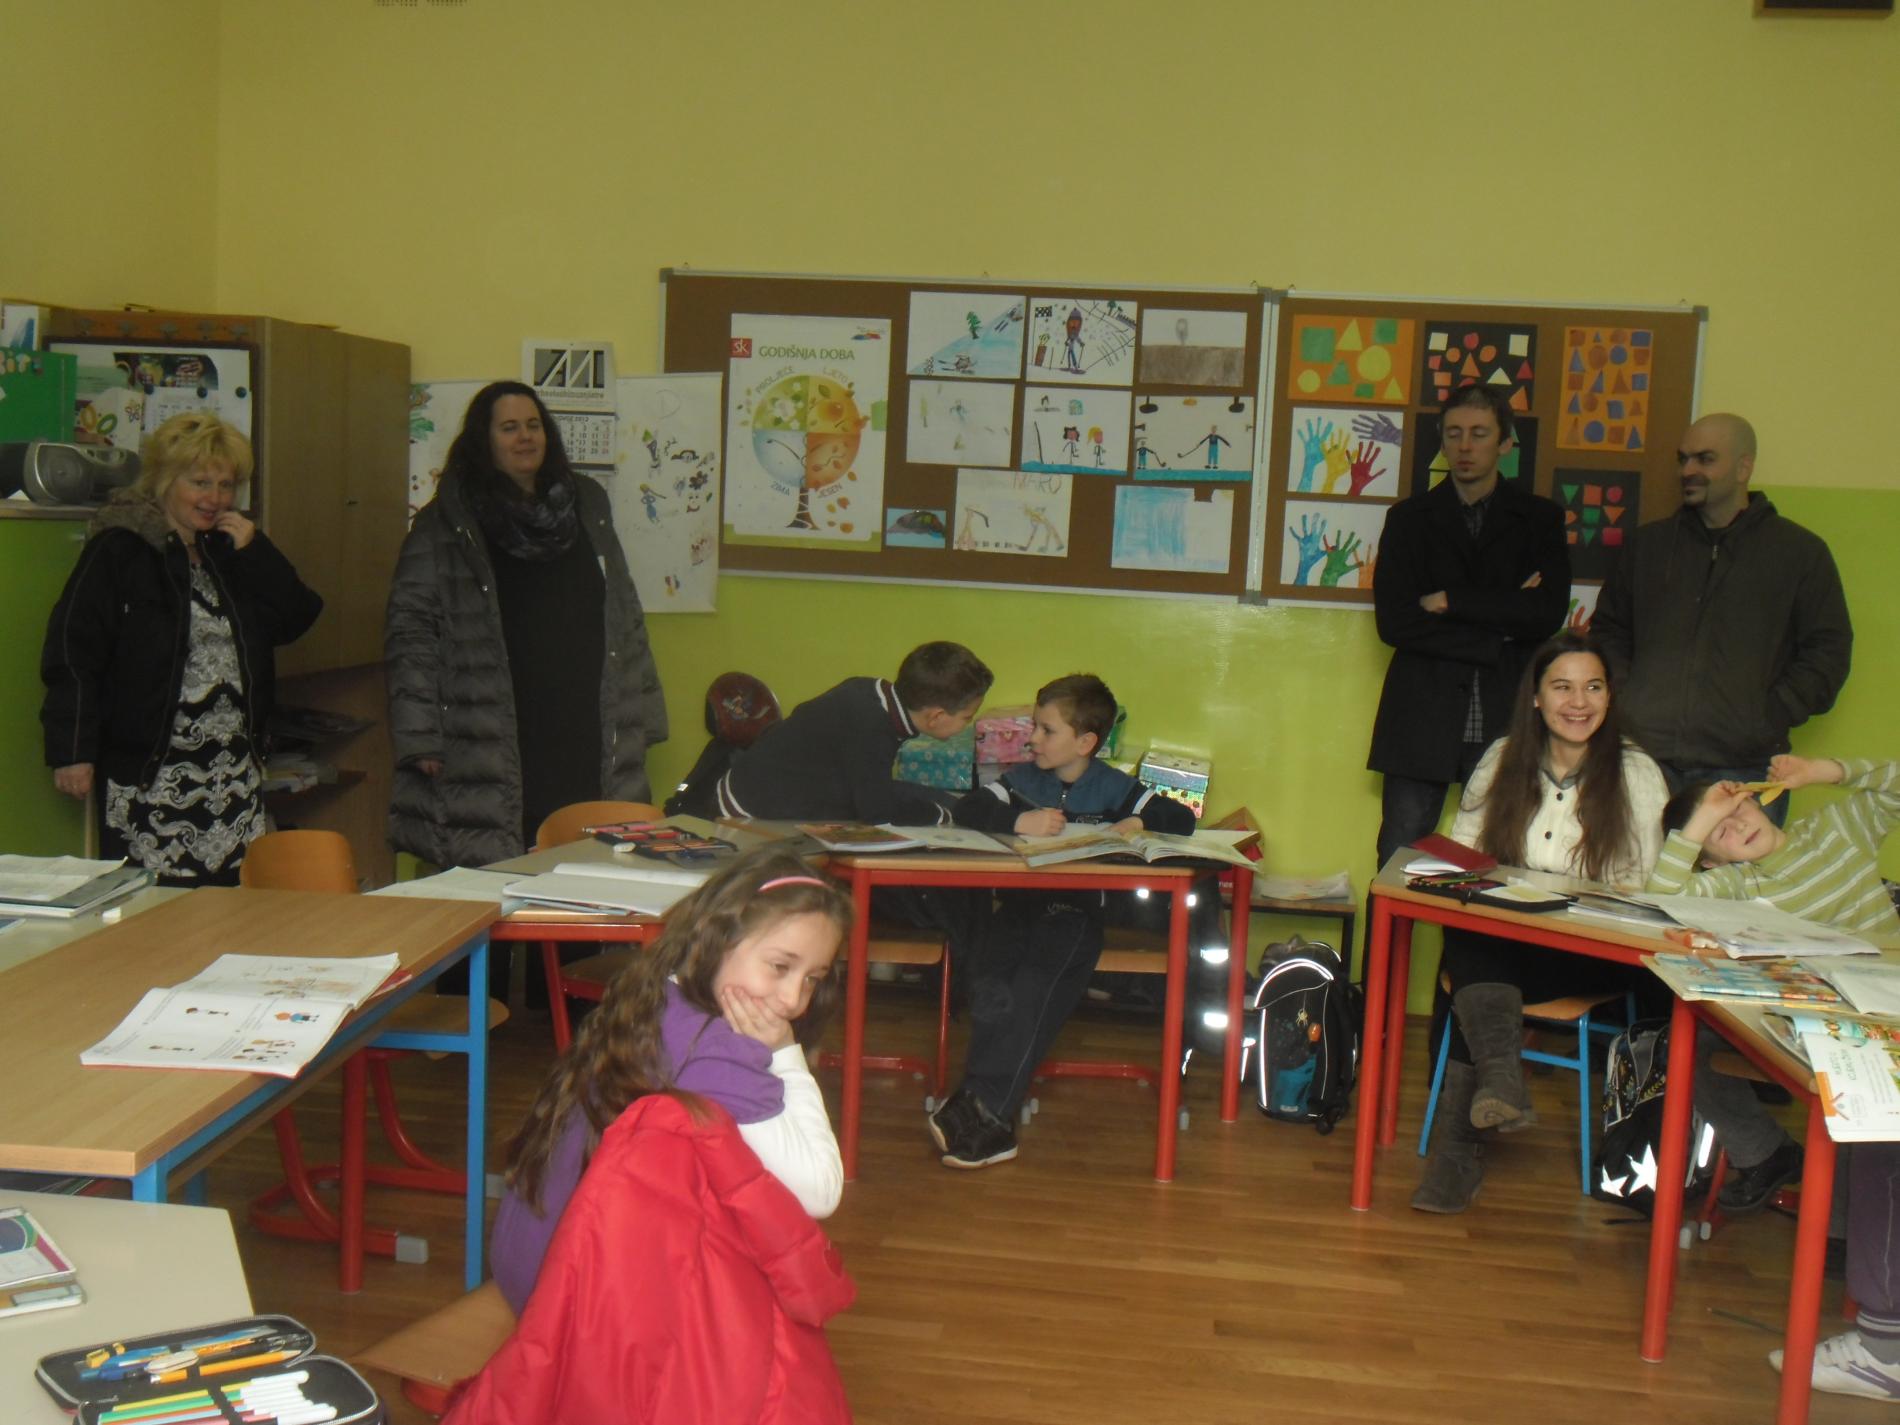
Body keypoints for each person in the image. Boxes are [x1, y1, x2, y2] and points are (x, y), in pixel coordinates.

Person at [491, 844, 848, 1314]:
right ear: (718, 941)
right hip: (579, 1303)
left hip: (529, 1265)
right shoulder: (717, 1050)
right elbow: (820, 1192)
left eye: (812, 978)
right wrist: (786, 1054)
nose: (793, 1000)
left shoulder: (655, 995)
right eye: (780, 967)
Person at [1413, 630, 1670, 1214]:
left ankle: (1460, 1150)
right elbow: (1462, 856)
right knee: (1473, 935)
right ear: (1535, 696)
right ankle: (1500, 1080)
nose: (1578, 702)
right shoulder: (1503, 758)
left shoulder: (1636, 773)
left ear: (1609, 697)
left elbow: (1648, 887)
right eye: (1562, 687)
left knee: (1478, 972)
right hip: (1506, 942)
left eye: (1593, 687)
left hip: (1589, 950)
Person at [385, 379, 666, 871]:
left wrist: (644, 712)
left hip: (582, 721)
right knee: (495, 864)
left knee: (585, 858)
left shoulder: (587, 506)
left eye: (534, 425)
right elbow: (411, 634)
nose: (525, 437)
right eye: (510, 427)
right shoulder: (446, 522)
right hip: (491, 725)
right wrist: (420, 737)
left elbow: (624, 612)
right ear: (484, 439)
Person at [447, 1094, 855, 1425]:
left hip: (554, 1305)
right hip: (606, 1321)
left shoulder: (612, 1067)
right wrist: (786, 1054)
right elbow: (815, 1201)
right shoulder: (714, 1091)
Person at [40, 411, 322, 886]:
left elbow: (297, 617)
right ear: (166, 480)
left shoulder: (230, 553)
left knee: (232, 910)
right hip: (152, 775)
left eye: (226, 485)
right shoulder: (121, 550)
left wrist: (258, 552)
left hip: (232, 776)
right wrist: (72, 749)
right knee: (156, 910)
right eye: (200, 483)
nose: (215, 498)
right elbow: (74, 650)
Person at [929, 674, 1196, 1169]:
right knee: (990, 981)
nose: (1032, 738)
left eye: (1046, 730)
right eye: (1034, 726)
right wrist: (1017, 821)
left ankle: (981, 1109)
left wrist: (1138, 821)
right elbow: (970, 808)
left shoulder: (1114, 787)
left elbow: (1182, 819)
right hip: (1017, 910)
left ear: (1086, 742)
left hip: (1075, 917)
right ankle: (985, 1114)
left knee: (1033, 990)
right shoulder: (1022, 782)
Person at [1650, 756, 1900, 1215]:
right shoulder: (1737, 884)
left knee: (1851, 1085)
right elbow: (1661, 898)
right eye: (1718, 832)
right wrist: (1702, 817)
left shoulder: (1836, 828)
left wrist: (1821, 772)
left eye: (1737, 810)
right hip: (1806, 1014)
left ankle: (1840, 1232)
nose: (1737, 827)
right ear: (1711, 862)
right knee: (1687, 1046)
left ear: (1758, 799)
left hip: (1882, 1009)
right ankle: (1767, 1153)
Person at [1592, 413, 1852, 820]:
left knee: (1732, 868)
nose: (1688, 470)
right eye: (1683, 459)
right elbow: (1609, 630)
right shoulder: (1647, 546)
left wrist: (1768, 715)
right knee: (1628, 866)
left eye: (1705, 459)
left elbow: (1828, 650)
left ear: (1744, 467)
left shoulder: (1799, 553)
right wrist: (1625, 697)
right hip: (1641, 761)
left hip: (1744, 768)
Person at [1367, 384, 1570, 873]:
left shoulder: (1539, 519)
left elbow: (1546, 614)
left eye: (1479, 433)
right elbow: (1395, 622)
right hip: (1422, 712)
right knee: (1398, 857)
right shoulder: (1409, 520)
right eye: (1453, 433)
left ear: (1504, 442)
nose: (1464, 445)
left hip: (1505, 709)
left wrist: (1450, 601)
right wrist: (1497, 629)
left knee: (1504, 858)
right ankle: (1386, 932)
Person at [708, 640, 992, 826]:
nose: (967, 724)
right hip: (745, 816)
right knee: (932, 810)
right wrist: (940, 815)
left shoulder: (869, 691)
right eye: (967, 717)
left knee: (938, 799)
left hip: (759, 788)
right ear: (936, 716)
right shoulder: (873, 730)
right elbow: (878, 814)